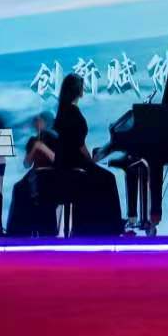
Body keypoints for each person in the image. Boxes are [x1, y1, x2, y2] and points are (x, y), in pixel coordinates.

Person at [52, 74, 122, 235]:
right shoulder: (72, 112)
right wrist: (91, 160)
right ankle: (112, 226)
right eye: (82, 87)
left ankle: (93, 224)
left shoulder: (62, 111)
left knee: (100, 177)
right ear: (77, 90)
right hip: (74, 164)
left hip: (64, 163)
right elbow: (79, 144)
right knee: (108, 179)